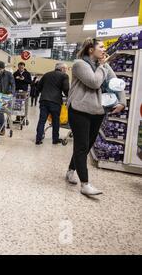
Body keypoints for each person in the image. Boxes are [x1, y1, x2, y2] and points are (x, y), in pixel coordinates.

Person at [67, 38, 126, 196]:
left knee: (86, 146)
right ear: (91, 50)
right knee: (81, 145)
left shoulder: (104, 66)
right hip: (79, 109)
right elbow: (93, 82)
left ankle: (71, 170)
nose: (104, 49)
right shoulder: (80, 64)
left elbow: (115, 82)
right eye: (101, 46)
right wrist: (102, 66)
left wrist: (122, 102)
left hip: (97, 111)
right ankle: (85, 184)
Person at [35, 63, 70, 145]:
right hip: (55, 102)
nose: (66, 70)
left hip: (44, 100)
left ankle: (38, 139)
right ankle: (55, 139)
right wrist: (68, 96)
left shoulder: (46, 74)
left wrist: (45, 93)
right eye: (65, 69)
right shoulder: (64, 76)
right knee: (55, 121)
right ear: (62, 68)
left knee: (42, 120)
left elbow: (38, 87)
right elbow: (66, 89)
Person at [0, 61, 15, 135]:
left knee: (0, 112)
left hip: (5, 96)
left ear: (4, 68)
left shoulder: (9, 74)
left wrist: (12, 93)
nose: (0, 70)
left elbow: (13, 84)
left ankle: (2, 129)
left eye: (1, 68)